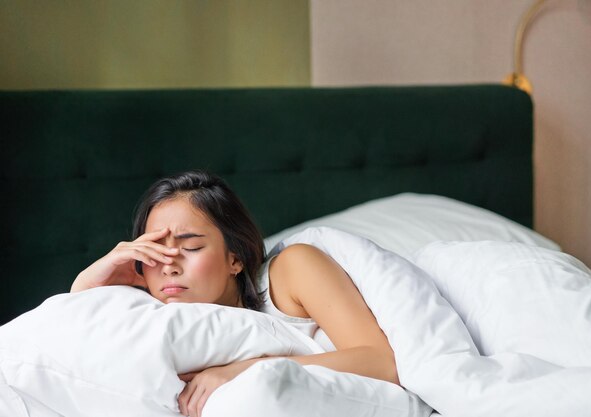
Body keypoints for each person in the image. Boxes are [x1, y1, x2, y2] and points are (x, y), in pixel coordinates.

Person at [70, 170, 399, 417]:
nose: (168, 266)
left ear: (235, 258)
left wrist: (242, 371)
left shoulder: (291, 270)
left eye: (191, 247)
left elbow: (382, 362)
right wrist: (93, 276)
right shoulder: (153, 308)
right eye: (155, 251)